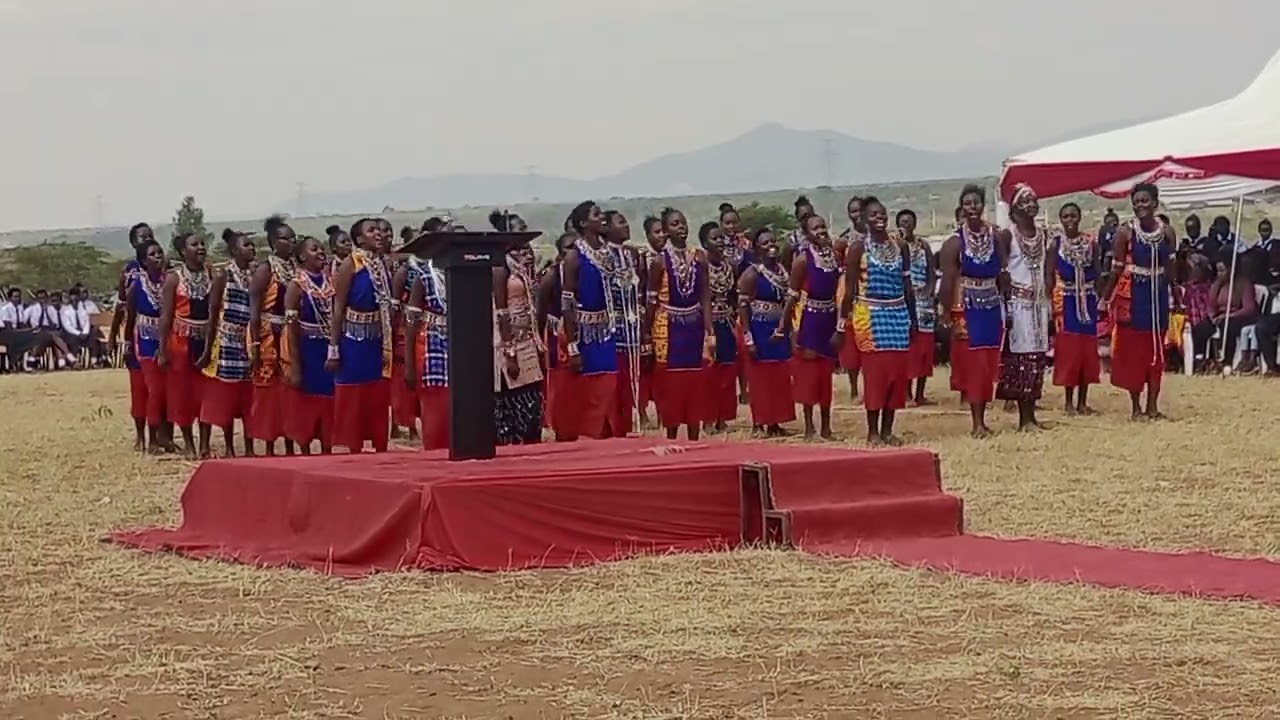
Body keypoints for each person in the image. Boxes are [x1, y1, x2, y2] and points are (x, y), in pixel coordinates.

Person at [843, 196, 915, 444]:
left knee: (896, 376)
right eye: (873, 215)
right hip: (870, 317)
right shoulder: (857, 249)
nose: (880, 218)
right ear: (863, 219)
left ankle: (887, 430)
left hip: (897, 315)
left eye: (882, 213)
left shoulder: (900, 246)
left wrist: (912, 320)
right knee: (876, 375)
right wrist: (843, 324)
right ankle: (873, 431)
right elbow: (849, 289)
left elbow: (907, 285)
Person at [937, 184, 1005, 438]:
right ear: (961, 208)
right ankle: (977, 422)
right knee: (975, 362)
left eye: (976, 202)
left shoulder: (996, 237)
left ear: (983, 205)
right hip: (968, 305)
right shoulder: (954, 243)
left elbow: (1003, 272)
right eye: (967, 203)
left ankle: (984, 417)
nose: (972, 207)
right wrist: (946, 311)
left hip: (992, 304)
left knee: (988, 362)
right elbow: (948, 280)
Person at [1105, 182, 1175, 420]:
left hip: (1158, 296)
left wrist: (1175, 296)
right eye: (1136, 202)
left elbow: (1171, 268)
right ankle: (1136, 408)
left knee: (1156, 350)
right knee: (1135, 352)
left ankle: (1153, 406)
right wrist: (1105, 299)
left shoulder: (1166, 232)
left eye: (1145, 201)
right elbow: (1115, 270)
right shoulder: (1125, 232)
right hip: (1133, 297)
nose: (1140, 206)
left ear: (1155, 203)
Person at [329, 218, 394, 452]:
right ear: (359, 239)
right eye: (371, 230)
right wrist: (333, 348)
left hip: (377, 340)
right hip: (353, 340)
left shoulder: (380, 263)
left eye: (378, 230)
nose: (377, 234)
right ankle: (353, 450)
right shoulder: (350, 264)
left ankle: (380, 448)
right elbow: (338, 307)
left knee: (376, 395)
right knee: (353, 395)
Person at [647, 207, 712, 440]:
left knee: (694, 380)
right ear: (665, 231)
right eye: (675, 224)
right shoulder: (659, 261)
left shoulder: (699, 257)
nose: (681, 227)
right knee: (671, 382)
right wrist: (647, 333)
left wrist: (709, 331)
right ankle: (672, 436)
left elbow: (705, 295)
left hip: (693, 323)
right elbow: (652, 300)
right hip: (667, 324)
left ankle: (694, 437)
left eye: (683, 223)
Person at [559, 201, 622, 439]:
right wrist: (573, 347)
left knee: (609, 385)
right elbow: (567, 304)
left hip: (608, 329)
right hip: (585, 333)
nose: (602, 217)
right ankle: (589, 440)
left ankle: (607, 438)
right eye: (596, 215)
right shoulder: (575, 257)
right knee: (591, 389)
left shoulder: (609, 253)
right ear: (584, 223)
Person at [995, 184, 1052, 431]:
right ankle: (1024, 419)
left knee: (1038, 358)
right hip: (1018, 304)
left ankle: (1032, 415)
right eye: (1025, 200)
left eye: (1034, 199)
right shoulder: (1007, 236)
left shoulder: (1045, 234)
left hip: (1039, 303)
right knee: (1022, 360)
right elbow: (1002, 272)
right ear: (1015, 207)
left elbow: (1048, 270)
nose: (1031, 204)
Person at [198, 229, 256, 457]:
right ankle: (220, 447)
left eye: (252, 245)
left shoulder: (254, 275)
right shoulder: (223, 276)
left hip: (246, 342)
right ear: (234, 251)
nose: (252, 248)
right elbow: (213, 314)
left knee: (245, 397)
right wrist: (207, 350)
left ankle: (249, 448)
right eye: (246, 245)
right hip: (224, 343)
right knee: (222, 397)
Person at [783, 213, 840, 439]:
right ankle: (809, 428)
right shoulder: (803, 260)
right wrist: (784, 327)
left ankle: (826, 427)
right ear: (807, 234)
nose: (821, 231)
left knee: (826, 374)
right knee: (808, 375)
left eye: (823, 226)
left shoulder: (834, 257)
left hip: (829, 318)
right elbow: (792, 295)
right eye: (815, 228)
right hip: (808, 319)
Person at [157, 232, 212, 458]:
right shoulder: (174, 279)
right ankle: (189, 443)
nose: (200, 247)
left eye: (202, 243)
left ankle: (205, 444)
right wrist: (162, 350)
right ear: (183, 251)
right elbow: (166, 316)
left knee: (206, 393)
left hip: (208, 340)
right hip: (180, 342)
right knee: (183, 394)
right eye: (194, 244)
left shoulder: (214, 274)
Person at [736, 227, 794, 435]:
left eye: (773, 241)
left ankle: (775, 422)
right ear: (757, 249)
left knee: (778, 376)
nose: (772, 246)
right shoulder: (751, 274)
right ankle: (759, 422)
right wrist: (749, 339)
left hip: (778, 327)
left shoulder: (782, 270)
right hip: (759, 328)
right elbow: (742, 307)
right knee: (761, 377)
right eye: (765, 243)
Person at [249, 215, 298, 455]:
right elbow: (255, 308)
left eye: (293, 238)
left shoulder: (296, 268)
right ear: (272, 242)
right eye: (284, 238)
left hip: (290, 333)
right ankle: (268, 445)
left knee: (289, 388)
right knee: (268, 390)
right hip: (268, 333)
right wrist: (255, 343)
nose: (291, 242)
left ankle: (290, 441)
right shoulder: (265, 269)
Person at [282, 236, 336, 454]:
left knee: (329, 398)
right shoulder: (296, 285)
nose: (321, 253)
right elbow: (291, 330)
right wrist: (295, 365)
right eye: (315, 249)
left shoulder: (331, 282)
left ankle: (327, 447)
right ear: (302, 256)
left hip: (327, 348)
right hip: (307, 349)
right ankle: (304, 450)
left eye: (322, 249)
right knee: (306, 400)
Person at [124, 238, 175, 454]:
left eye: (160, 252)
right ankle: (147, 438)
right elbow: (130, 317)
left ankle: (162, 437)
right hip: (143, 340)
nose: (158, 257)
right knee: (150, 391)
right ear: (144, 261)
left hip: (166, 339)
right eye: (153, 254)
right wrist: (126, 344)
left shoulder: (170, 282)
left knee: (164, 392)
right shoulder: (136, 286)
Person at [1051, 202, 1102, 414]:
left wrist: (1102, 300)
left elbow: (1098, 272)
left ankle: (1083, 401)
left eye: (1073, 216)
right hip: (1067, 300)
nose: (1070, 220)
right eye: (1065, 217)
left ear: (1079, 217)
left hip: (1088, 300)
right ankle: (1069, 402)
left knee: (1086, 351)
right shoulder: (1056, 244)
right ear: (1061, 220)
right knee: (1069, 352)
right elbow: (1048, 275)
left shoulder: (1091, 244)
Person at [403, 228, 451, 450]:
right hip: (433, 347)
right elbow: (411, 323)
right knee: (436, 410)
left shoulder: (464, 272)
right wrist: (410, 366)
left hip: (461, 345)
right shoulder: (423, 276)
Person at [603, 210, 649, 436]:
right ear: (607, 228)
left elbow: (639, 293)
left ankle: (627, 430)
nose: (626, 225)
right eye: (621, 222)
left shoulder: (633, 255)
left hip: (632, 327)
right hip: (611, 328)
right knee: (613, 383)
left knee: (629, 382)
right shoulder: (602, 255)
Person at [699, 220, 738, 432]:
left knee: (727, 369)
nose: (720, 242)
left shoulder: (730, 266)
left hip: (727, 322)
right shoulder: (700, 265)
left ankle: (723, 418)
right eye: (715, 238)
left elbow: (733, 296)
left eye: (721, 237)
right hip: (708, 322)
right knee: (709, 372)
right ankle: (707, 418)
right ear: (705, 243)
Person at [1191, 256, 1258, 368]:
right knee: (1200, 328)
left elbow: (1249, 308)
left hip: (1238, 316)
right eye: (1218, 271)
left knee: (1227, 327)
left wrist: (1228, 315)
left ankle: (1227, 360)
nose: (1219, 274)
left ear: (1231, 269)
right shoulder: (1218, 284)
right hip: (1219, 316)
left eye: (1222, 271)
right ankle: (1200, 358)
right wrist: (1212, 316)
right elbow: (1211, 305)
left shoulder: (1244, 284)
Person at [899, 209, 936, 405]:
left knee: (925, 348)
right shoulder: (895, 246)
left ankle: (921, 393)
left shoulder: (924, 246)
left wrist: (930, 292)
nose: (906, 225)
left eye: (909, 222)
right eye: (903, 222)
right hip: (906, 301)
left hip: (925, 302)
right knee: (909, 346)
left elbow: (932, 271)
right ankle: (906, 392)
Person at [836, 196, 865, 403]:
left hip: (871, 292)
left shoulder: (879, 239)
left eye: (860, 210)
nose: (857, 215)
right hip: (848, 293)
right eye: (853, 211)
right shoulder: (843, 241)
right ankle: (854, 389)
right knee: (850, 342)